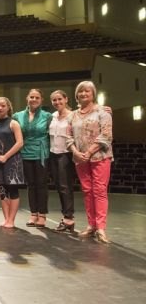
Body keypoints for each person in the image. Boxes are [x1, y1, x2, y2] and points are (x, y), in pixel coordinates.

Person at [67, 81, 113, 244]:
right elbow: (68, 137)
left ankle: (101, 228)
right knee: (87, 191)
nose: (84, 94)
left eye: (87, 91)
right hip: (80, 158)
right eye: (80, 92)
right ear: (76, 95)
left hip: (100, 156)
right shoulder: (72, 115)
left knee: (99, 191)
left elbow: (106, 135)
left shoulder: (103, 112)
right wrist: (76, 152)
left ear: (93, 94)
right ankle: (91, 225)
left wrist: (88, 152)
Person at [12, 89, 52, 228]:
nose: (34, 99)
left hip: (41, 153)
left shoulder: (47, 116)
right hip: (25, 153)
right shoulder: (18, 115)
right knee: (31, 185)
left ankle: (42, 215)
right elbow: (6, 124)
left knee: (41, 184)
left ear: (41, 100)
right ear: (27, 98)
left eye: (37, 97)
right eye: (31, 97)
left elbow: (66, 116)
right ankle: (33, 213)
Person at [0, 97, 25, 229]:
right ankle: (6, 219)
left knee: (13, 191)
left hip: (12, 162)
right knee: (2, 192)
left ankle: (11, 219)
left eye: (3, 106)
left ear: (8, 107)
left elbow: (20, 142)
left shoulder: (14, 123)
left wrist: (6, 156)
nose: (0, 108)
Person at [49, 90, 76, 232]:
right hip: (53, 153)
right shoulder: (52, 116)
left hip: (66, 154)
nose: (57, 102)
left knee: (65, 186)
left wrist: (104, 109)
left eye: (60, 99)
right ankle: (66, 216)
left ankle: (68, 218)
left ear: (66, 99)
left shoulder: (73, 115)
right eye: (54, 100)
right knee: (59, 186)